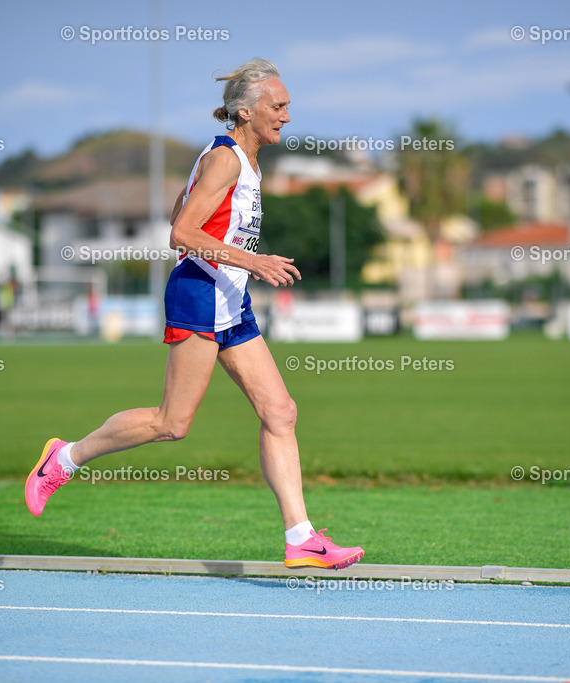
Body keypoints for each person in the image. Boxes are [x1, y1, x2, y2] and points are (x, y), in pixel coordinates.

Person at [25, 58, 363, 571]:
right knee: (172, 423)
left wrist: (232, 252)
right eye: (277, 106)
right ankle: (64, 457)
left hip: (231, 298)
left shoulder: (239, 160)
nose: (287, 116)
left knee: (280, 412)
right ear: (245, 112)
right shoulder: (226, 159)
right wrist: (253, 260)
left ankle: (301, 539)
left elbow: (183, 211)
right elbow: (180, 233)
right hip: (200, 294)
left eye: (287, 106)